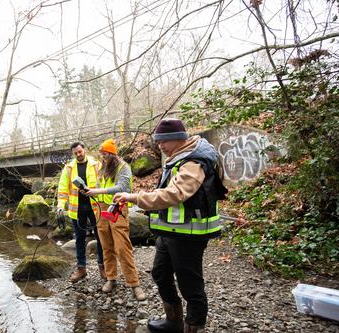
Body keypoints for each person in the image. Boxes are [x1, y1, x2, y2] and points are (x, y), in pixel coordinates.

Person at [113, 118, 228, 333]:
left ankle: (193, 327)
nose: (159, 146)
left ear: (177, 139)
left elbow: (174, 194)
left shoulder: (194, 162)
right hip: (169, 231)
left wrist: (135, 198)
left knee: (190, 285)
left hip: (188, 234)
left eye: (162, 142)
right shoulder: (178, 158)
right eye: (158, 143)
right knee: (160, 274)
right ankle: (173, 321)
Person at [85, 139, 147, 301]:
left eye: (105, 155)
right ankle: (111, 278)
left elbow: (123, 188)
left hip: (118, 208)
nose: (103, 158)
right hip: (102, 209)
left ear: (112, 154)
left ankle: (134, 283)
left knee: (122, 247)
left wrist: (99, 191)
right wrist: (92, 193)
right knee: (106, 246)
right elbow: (98, 185)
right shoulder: (102, 168)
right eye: (101, 155)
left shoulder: (123, 167)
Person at [56, 141, 105, 283]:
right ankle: (81, 269)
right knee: (79, 239)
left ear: (85, 150)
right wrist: (60, 206)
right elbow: (63, 188)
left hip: (95, 207)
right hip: (76, 209)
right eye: (75, 153)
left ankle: (102, 266)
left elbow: (103, 184)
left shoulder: (96, 165)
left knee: (100, 237)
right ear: (73, 153)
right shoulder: (69, 168)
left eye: (80, 151)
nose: (78, 154)